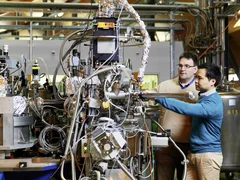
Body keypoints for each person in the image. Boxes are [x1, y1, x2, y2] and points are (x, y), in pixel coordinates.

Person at [155, 63, 223, 180]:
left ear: (212, 81)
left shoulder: (214, 102)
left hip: (208, 156)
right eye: (196, 77)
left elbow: (187, 108)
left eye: (200, 78)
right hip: (193, 154)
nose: (196, 80)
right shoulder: (203, 98)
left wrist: (158, 97)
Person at [146, 52, 199, 180]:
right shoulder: (165, 86)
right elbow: (147, 99)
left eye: (187, 66)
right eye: (180, 65)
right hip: (165, 144)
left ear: (195, 69)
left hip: (188, 146)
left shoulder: (198, 89)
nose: (182, 69)